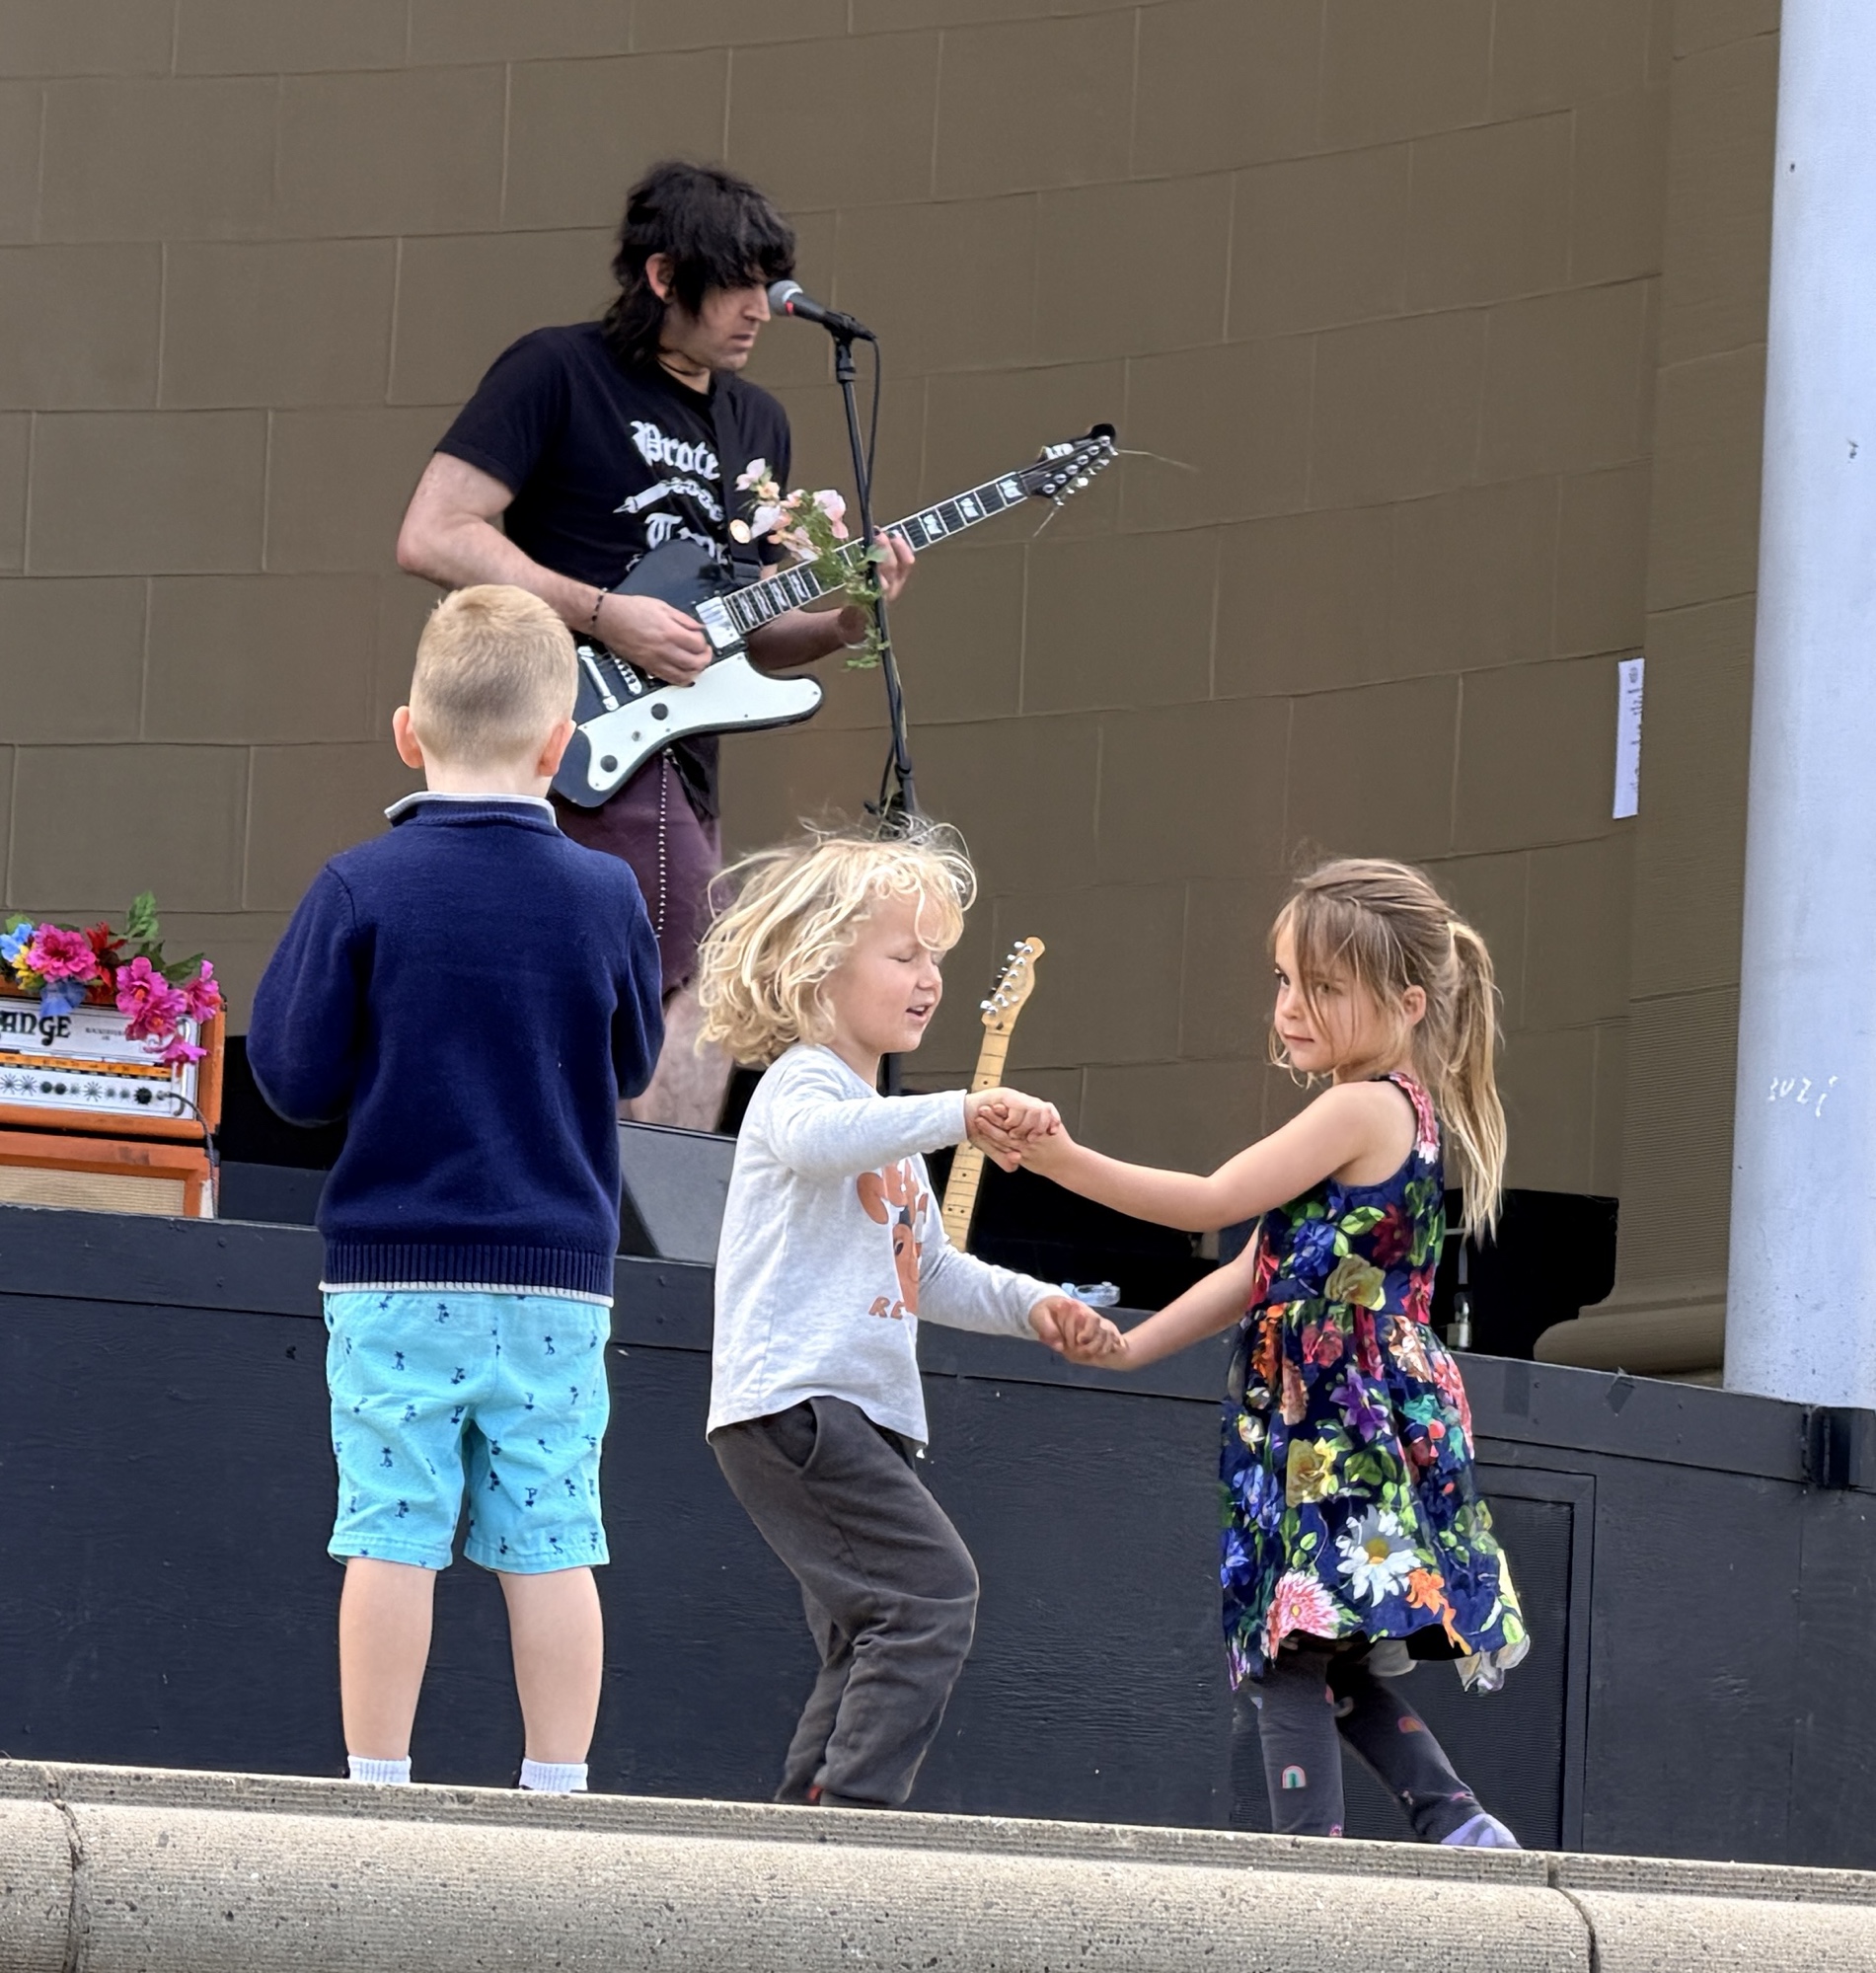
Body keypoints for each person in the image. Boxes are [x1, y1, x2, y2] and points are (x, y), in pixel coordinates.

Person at [1011, 859, 1529, 1846]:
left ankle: (1309, 1862)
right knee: (1325, 1650)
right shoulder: (1392, 1108)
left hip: (1333, 1415)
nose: (1290, 1006)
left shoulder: (1358, 1106)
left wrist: (1057, 1159)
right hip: (1345, 1411)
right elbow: (1261, 1267)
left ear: (1407, 1002)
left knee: (1286, 1646)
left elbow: (1213, 1201)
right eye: (1285, 979)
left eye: (1322, 986)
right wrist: (1132, 1346)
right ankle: (1454, 1819)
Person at [396, 159, 915, 1130]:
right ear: (664, 276)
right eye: (737, 284)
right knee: (707, 968)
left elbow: (745, 632)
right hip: (565, 726)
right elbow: (433, 533)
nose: (759, 310)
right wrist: (601, 611)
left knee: (680, 984)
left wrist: (846, 620)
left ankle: (625, 1182)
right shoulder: (558, 371)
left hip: (680, 756)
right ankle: (641, 1195)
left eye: (769, 284)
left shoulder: (756, 421)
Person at [247, 585, 664, 1794]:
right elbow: (634, 1061)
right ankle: (557, 1786)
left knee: (391, 1525)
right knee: (553, 1535)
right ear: (559, 746)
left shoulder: (360, 885)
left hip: (393, 1266)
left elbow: (290, 1077)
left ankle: (377, 1782)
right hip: (558, 1278)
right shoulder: (606, 894)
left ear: (405, 732)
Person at [694, 825, 1118, 1810]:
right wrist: (960, 1112)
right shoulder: (803, 1083)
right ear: (817, 969)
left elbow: (930, 1270)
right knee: (931, 1595)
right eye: (904, 955)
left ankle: (806, 1824)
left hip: (850, 1417)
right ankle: (852, 1817)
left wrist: (1038, 1305)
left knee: (871, 1627)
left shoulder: (884, 1127)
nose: (929, 979)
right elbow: (816, 1141)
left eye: (936, 958)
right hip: (800, 1403)